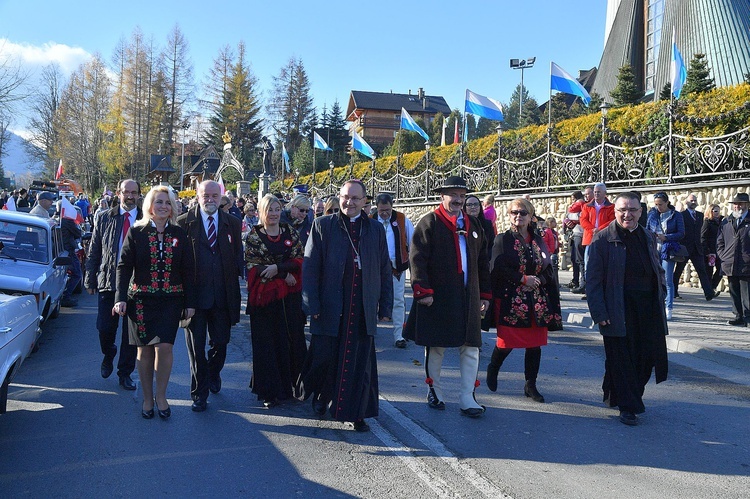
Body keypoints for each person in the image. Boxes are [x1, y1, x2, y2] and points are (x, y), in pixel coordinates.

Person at [298, 179, 392, 432]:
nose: (349, 203)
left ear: (364, 202)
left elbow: (384, 268)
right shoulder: (322, 225)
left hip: (361, 306)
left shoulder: (374, 229)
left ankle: (356, 412)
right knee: (325, 357)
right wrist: (311, 303)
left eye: (355, 198)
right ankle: (319, 394)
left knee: (358, 362)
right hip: (330, 304)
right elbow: (310, 268)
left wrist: (385, 307)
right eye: (345, 197)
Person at [403, 176, 491, 418]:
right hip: (438, 296)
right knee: (437, 345)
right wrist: (422, 290)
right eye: (454, 195)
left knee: (471, 346)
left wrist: (484, 293)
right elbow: (417, 258)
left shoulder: (474, 225)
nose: (459, 200)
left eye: (462, 196)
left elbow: (483, 261)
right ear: (443, 196)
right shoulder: (429, 222)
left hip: (468, 296)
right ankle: (435, 390)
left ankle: (467, 397)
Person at [113, 186, 196, 419]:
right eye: (159, 202)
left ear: (172, 208)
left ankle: (162, 396)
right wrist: (120, 299)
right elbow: (124, 266)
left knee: (165, 347)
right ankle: (147, 398)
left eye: (167, 203)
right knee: (145, 350)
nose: (163, 206)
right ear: (150, 205)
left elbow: (188, 270)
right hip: (140, 300)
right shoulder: (137, 232)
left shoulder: (180, 234)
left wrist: (190, 301)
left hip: (171, 299)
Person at [586, 192, 668, 426]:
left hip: (647, 308)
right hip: (616, 309)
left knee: (646, 357)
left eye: (632, 210)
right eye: (622, 209)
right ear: (615, 211)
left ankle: (615, 390)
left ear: (640, 212)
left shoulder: (648, 237)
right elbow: (592, 280)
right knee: (622, 358)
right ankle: (629, 406)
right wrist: (599, 313)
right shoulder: (602, 239)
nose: (627, 214)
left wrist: (661, 288)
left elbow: (657, 268)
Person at [486, 198, 561, 403]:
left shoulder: (539, 240)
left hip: (536, 300)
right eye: (514, 212)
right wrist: (522, 279)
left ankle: (531, 385)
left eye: (522, 213)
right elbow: (498, 267)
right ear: (508, 215)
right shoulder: (502, 239)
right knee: (506, 342)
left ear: (530, 216)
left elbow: (548, 267)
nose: (518, 216)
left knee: (534, 345)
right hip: (511, 299)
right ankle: (493, 367)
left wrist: (538, 280)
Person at [178, 180, 244, 412]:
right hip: (194, 299)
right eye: (205, 195)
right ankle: (199, 393)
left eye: (215, 196)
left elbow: (238, 258)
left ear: (222, 197)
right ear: (197, 196)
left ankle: (213, 372)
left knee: (221, 343)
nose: (210, 200)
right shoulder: (184, 223)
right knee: (196, 349)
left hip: (222, 297)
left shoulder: (233, 223)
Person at [244, 194, 307, 407]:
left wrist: (279, 269)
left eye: (277, 209)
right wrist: (280, 272)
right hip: (264, 299)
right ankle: (268, 391)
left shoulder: (289, 232)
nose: (273, 214)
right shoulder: (254, 236)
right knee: (266, 344)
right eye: (269, 210)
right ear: (261, 212)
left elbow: (299, 257)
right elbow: (253, 266)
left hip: (288, 297)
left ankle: (289, 387)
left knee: (288, 340)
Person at [85, 179, 140, 390]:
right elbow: (95, 249)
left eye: (134, 192)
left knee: (130, 335)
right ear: (119, 193)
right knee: (104, 328)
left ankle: (124, 373)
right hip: (108, 281)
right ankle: (108, 353)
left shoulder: (146, 219)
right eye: (127, 192)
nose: (130, 196)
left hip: (135, 286)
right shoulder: (105, 217)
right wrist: (90, 278)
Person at [373, 193, 415, 348]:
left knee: (398, 300)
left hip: (397, 266)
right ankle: (370, 333)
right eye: (381, 210)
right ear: (376, 208)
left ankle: (399, 336)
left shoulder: (402, 220)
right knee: (373, 300)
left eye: (388, 210)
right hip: (375, 267)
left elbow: (413, 242)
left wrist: (412, 264)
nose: (384, 213)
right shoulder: (370, 220)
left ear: (392, 206)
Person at [672, 193, 720, 301]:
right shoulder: (682, 215)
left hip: (697, 248)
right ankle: (674, 291)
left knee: (702, 270)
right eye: (691, 201)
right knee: (679, 270)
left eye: (694, 200)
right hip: (684, 248)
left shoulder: (700, 215)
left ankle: (708, 293)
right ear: (686, 202)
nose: (693, 202)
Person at [646, 192, 685, 321]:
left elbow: (681, 233)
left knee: (667, 280)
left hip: (668, 250)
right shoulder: (652, 214)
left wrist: (667, 237)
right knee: (653, 278)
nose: (658, 207)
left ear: (667, 202)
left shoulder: (676, 215)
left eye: (661, 204)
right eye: (656, 204)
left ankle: (669, 308)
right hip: (654, 250)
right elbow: (646, 230)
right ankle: (656, 306)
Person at [716, 192, 750, 327]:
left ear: (746, 205)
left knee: (747, 292)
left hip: (746, 263)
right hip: (730, 262)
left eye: (740, 204)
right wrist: (723, 256)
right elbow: (720, 241)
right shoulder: (727, 221)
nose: (737, 206)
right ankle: (738, 316)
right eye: (735, 204)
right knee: (734, 291)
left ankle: (748, 317)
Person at [574, 183, 614, 295]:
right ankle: (589, 291)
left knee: (604, 265)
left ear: (605, 193)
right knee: (588, 265)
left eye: (599, 192)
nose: (596, 194)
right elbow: (583, 220)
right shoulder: (587, 206)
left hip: (605, 239)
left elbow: (612, 221)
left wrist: (599, 229)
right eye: (595, 192)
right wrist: (592, 230)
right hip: (590, 239)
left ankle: (603, 290)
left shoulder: (611, 207)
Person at [57, 200, 83, 308]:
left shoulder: (56, 220)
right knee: (77, 274)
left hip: (59, 251)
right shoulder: (67, 221)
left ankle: (62, 295)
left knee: (60, 275)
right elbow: (78, 233)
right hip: (68, 250)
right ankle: (66, 296)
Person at [563, 191, 585, 289]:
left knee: (579, 259)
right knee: (574, 259)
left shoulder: (580, 203)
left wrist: (568, 217)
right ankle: (575, 280)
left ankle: (581, 283)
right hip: (574, 233)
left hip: (579, 233)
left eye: (572, 198)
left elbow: (571, 211)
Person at [701, 203, 724, 291]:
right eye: (715, 211)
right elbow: (703, 237)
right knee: (709, 271)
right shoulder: (707, 222)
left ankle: (712, 286)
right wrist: (706, 250)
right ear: (711, 211)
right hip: (711, 251)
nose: (717, 213)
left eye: (718, 211)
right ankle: (709, 289)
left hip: (720, 250)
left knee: (721, 269)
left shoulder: (722, 222)